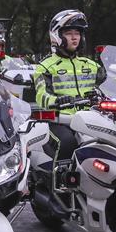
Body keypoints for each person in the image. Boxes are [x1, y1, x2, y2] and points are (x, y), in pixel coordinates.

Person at [33, 9, 104, 163]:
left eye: (77, 33)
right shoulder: (45, 67)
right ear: (57, 36)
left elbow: (112, 85)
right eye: (69, 33)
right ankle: (61, 184)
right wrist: (57, 101)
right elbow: (41, 96)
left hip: (92, 119)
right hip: (61, 120)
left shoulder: (92, 65)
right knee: (66, 144)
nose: (74, 37)